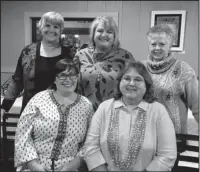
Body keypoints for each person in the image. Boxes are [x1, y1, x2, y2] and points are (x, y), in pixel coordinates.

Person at [84, 62, 177, 171]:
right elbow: (90, 148)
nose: (131, 83)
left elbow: (167, 155)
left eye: (138, 80)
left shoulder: (158, 111)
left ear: (147, 84)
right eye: (127, 78)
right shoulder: (104, 108)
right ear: (119, 82)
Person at [14, 58, 94, 172]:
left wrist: (74, 165)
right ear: (54, 79)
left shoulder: (86, 105)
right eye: (62, 75)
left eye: (72, 75)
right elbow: (22, 134)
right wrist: (33, 165)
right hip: (36, 165)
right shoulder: (39, 99)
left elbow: (90, 140)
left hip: (69, 167)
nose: (68, 79)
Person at [0, 11, 76, 119]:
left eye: (56, 27)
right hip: (31, 113)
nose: (51, 30)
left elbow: (77, 83)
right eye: (47, 25)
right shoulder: (28, 52)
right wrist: (4, 107)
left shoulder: (70, 54)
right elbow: (17, 81)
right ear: (40, 28)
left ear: (61, 30)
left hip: (62, 114)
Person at [143, 24, 199, 134]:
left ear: (170, 46)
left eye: (162, 44)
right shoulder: (140, 68)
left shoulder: (184, 70)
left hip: (174, 138)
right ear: (149, 46)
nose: (157, 48)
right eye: (153, 44)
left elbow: (198, 106)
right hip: (144, 136)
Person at [75, 16, 135, 111]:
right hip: (83, 112)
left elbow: (133, 87)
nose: (104, 35)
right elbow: (72, 85)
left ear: (114, 36)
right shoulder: (81, 55)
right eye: (100, 31)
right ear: (93, 33)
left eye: (109, 32)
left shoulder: (125, 57)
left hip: (115, 112)